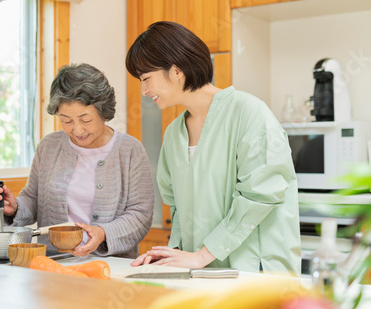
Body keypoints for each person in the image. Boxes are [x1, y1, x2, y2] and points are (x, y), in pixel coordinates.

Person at [125, 21, 301, 275]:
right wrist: (170, 255)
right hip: (202, 274)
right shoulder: (174, 133)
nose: (143, 90)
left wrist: (202, 256)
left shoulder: (248, 112)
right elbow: (177, 209)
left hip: (255, 273)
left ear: (176, 71)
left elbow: (261, 195)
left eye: (146, 79)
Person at [0, 63, 154, 258]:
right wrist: (15, 207)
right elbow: (33, 199)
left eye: (85, 120)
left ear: (103, 112)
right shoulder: (49, 146)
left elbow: (140, 215)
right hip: (52, 262)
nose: (77, 130)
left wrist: (103, 233)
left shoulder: (130, 151)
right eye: (66, 120)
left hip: (111, 266)